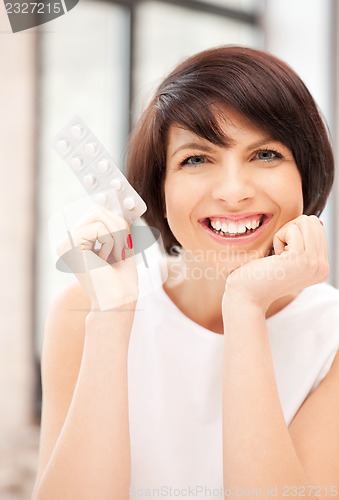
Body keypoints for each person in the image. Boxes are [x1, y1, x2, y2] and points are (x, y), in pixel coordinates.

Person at [32, 46, 339, 500]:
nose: (234, 192)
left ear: (305, 173)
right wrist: (112, 318)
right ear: (159, 186)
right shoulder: (83, 311)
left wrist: (245, 307)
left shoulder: (330, 338)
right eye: (196, 159)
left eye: (266, 155)